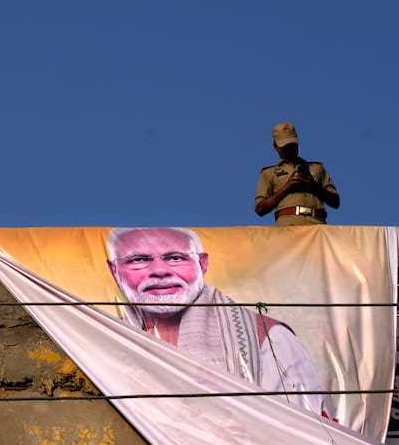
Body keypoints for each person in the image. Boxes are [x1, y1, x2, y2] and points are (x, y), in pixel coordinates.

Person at [107, 227, 332, 416]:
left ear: (202, 264)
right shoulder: (101, 343)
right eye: (138, 260)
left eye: (175, 258)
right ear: (114, 270)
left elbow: (304, 438)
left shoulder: (270, 340)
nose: (159, 271)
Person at [255, 122, 340, 226]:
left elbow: (335, 202)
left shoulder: (317, 168)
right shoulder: (268, 173)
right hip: (287, 225)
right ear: (275, 147)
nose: (289, 150)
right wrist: (286, 188)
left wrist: (314, 186)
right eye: (285, 147)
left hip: (317, 224)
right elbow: (260, 209)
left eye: (292, 145)